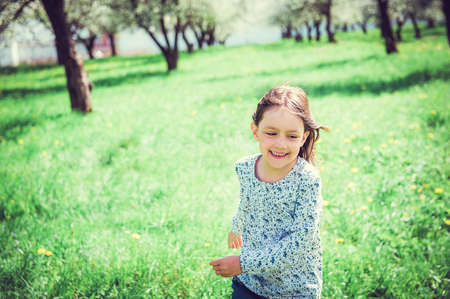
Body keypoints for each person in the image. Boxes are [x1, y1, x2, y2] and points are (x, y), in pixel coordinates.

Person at [209, 85, 329, 298]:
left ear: (303, 137)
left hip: (294, 287)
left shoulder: (306, 179)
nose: (281, 144)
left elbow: (302, 239)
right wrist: (236, 227)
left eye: (292, 136)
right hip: (251, 282)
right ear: (255, 131)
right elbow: (246, 201)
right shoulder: (245, 167)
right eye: (271, 133)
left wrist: (243, 263)